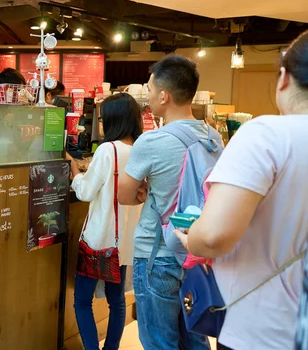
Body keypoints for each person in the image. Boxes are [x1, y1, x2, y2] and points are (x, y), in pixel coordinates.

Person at [175, 31, 308, 350]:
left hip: (264, 331)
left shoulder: (268, 135)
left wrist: (190, 236)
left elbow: (212, 237)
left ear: (283, 79)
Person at [118, 55, 211, 350]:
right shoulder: (213, 137)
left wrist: (146, 188)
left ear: (164, 95)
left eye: (149, 87)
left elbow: (123, 194)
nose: (147, 94)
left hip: (156, 253)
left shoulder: (152, 141)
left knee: (160, 342)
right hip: (195, 250)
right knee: (194, 337)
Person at [66, 93, 142, 350]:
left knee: (82, 301)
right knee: (117, 300)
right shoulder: (140, 150)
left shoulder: (107, 150)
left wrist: (74, 171)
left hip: (99, 241)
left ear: (114, 120)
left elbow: (85, 192)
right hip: (124, 243)